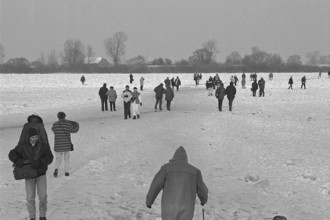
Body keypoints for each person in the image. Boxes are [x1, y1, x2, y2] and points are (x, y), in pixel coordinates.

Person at [146, 146, 208, 220]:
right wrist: (203, 200)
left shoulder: (166, 168)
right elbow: (202, 190)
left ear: (174, 157)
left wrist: (149, 202)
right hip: (187, 210)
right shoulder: (195, 172)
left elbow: (155, 185)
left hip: (169, 209)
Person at [9, 127, 54, 220]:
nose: (35, 138)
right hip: (29, 175)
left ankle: (42, 216)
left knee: (42, 197)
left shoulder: (43, 145)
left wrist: (40, 161)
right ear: (29, 137)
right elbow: (11, 154)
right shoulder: (22, 146)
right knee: (30, 198)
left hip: (41, 174)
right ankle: (32, 217)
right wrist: (18, 160)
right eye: (32, 137)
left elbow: (50, 157)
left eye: (36, 136)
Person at [51, 112, 79, 177]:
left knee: (58, 158)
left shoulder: (55, 124)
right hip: (66, 145)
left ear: (58, 117)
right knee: (66, 159)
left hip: (58, 145)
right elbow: (75, 130)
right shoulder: (68, 125)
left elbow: (53, 130)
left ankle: (56, 169)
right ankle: (66, 172)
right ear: (64, 116)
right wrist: (75, 123)